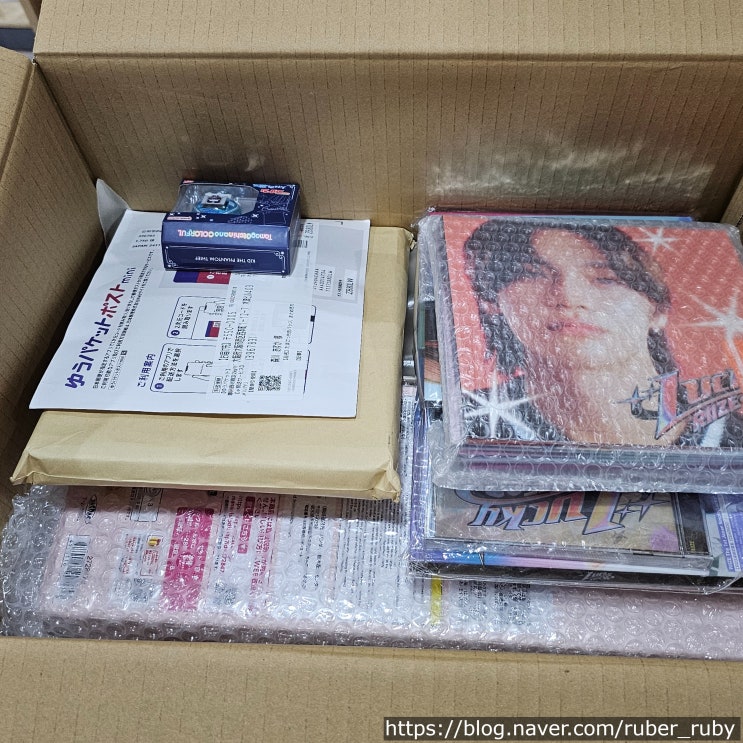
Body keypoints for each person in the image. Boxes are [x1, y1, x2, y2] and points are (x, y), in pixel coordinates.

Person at [460, 218, 743, 448]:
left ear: (658, 310)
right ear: (492, 300)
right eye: (533, 274)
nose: (569, 297)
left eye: (606, 279)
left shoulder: (730, 437)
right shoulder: (469, 419)